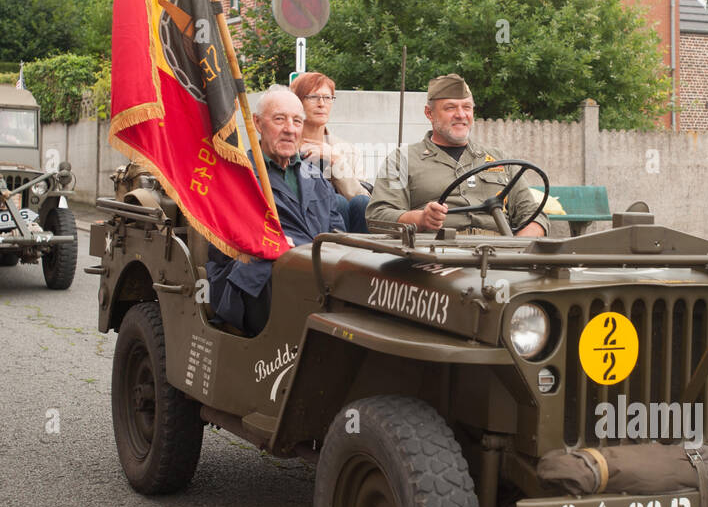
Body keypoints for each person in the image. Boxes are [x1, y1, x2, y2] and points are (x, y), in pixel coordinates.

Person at [206, 86, 345, 335]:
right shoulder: (237, 176)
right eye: (279, 119)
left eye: (297, 121)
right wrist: (266, 243)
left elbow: (338, 234)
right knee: (267, 269)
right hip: (259, 284)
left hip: (315, 279)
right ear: (258, 124)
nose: (290, 129)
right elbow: (220, 246)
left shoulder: (317, 177)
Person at [367, 73, 549, 237]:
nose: (461, 115)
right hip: (436, 254)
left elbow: (534, 215)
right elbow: (378, 216)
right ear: (429, 113)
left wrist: (516, 252)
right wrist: (421, 219)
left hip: (499, 254)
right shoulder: (401, 160)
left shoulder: (499, 159)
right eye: (450, 108)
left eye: (467, 107)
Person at [291, 71, 369, 233]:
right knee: (336, 201)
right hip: (302, 225)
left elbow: (362, 200)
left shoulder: (349, 151)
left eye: (327, 98)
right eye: (313, 97)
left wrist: (335, 160)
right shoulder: (287, 146)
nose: (321, 104)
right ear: (297, 102)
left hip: (353, 229)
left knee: (361, 202)